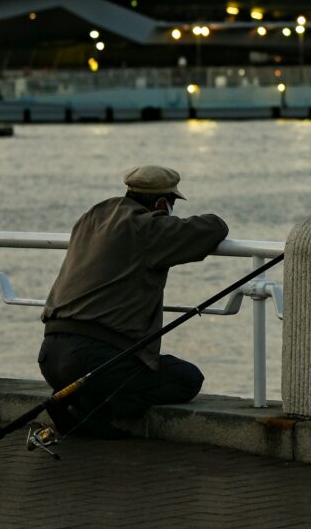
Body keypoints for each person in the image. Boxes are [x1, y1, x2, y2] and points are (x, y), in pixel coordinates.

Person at [38, 165, 228, 438]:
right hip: (94, 359)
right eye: (172, 202)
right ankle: (92, 409)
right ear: (163, 203)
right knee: (187, 379)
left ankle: (75, 400)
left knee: (131, 371)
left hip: (49, 355)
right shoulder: (147, 228)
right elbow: (213, 227)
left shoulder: (92, 217)